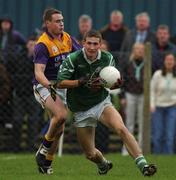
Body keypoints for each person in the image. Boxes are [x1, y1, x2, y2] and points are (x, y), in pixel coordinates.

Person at [57, 30, 157, 176]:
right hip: (80, 109)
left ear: (100, 44)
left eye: (95, 44)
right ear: (83, 43)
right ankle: (103, 164)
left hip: (100, 102)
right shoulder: (73, 58)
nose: (92, 47)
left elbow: (108, 81)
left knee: (121, 128)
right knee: (90, 154)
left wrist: (115, 85)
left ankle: (144, 166)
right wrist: (80, 82)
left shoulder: (107, 58)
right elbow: (60, 83)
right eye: (89, 43)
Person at [33, 8, 81, 174]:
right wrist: (48, 85)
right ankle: (43, 150)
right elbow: (38, 73)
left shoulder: (67, 38)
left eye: (62, 20)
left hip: (61, 86)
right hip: (44, 86)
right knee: (61, 115)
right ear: (47, 24)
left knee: (59, 128)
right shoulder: (43, 44)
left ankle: (46, 163)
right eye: (57, 21)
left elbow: (80, 57)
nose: (61, 23)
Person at [120, 43, 145, 155]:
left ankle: (140, 149)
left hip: (143, 95)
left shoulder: (147, 64)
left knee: (141, 123)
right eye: (137, 49)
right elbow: (122, 80)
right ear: (133, 51)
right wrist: (122, 96)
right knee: (129, 123)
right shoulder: (128, 63)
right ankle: (127, 149)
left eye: (141, 49)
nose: (139, 51)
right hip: (130, 94)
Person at [151, 52, 176, 154]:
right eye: (168, 59)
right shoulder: (158, 74)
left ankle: (168, 157)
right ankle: (157, 156)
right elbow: (152, 90)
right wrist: (152, 104)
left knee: (169, 135)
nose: (169, 62)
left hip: (172, 107)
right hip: (158, 108)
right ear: (164, 61)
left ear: (174, 62)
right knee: (158, 135)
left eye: (171, 60)